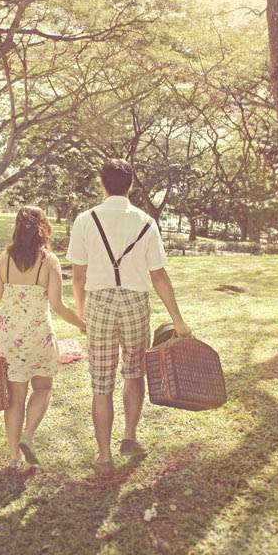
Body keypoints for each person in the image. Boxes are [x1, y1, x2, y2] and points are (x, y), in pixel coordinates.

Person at [66, 158, 192, 474]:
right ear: (131, 185)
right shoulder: (146, 222)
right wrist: (177, 319)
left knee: (101, 382)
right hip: (135, 303)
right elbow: (159, 275)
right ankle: (130, 437)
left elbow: (78, 276)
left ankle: (103, 456)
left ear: (102, 184)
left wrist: (81, 311)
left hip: (99, 304)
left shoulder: (85, 220)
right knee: (134, 372)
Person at [0, 206, 85, 469]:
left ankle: (14, 457)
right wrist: (82, 325)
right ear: (44, 228)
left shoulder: (4, 260)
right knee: (43, 388)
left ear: (17, 229)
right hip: (39, 338)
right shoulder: (48, 261)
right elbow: (58, 305)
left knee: (15, 399)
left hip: (10, 338)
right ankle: (27, 436)